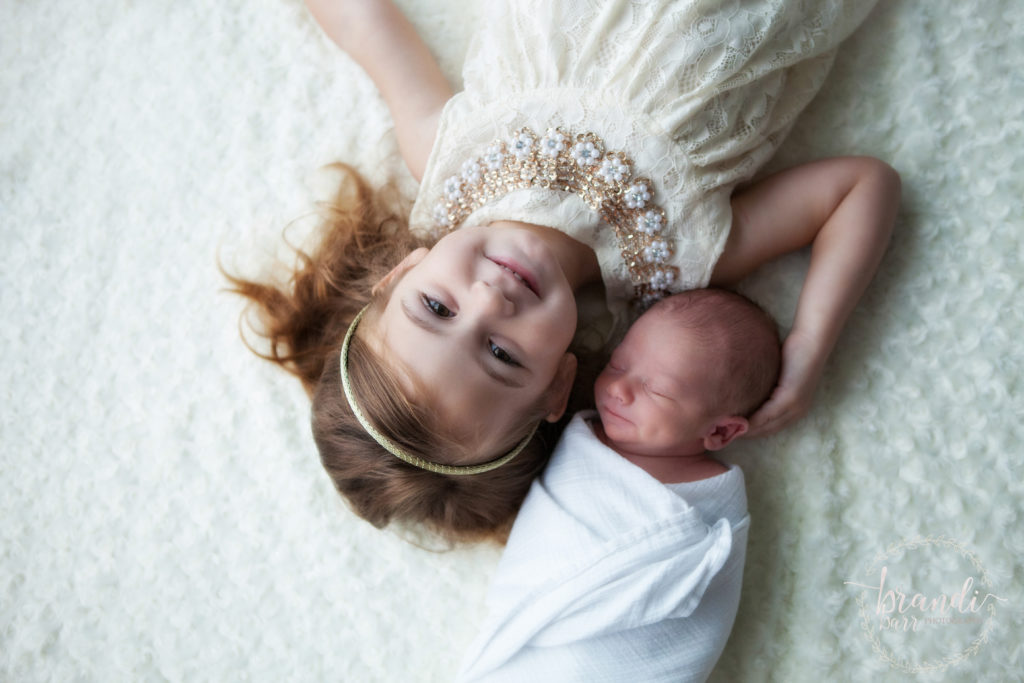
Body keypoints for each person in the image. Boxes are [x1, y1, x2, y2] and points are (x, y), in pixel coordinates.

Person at [226, 0, 900, 543]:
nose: (489, 300)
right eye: (499, 353)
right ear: (558, 385)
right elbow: (859, 188)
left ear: (400, 272)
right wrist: (807, 348)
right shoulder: (678, 257)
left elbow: (361, 23)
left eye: (435, 308)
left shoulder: (447, 158)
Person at [457, 288, 779, 681]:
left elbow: (697, 614)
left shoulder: (710, 513)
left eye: (656, 390)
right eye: (618, 364)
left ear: (721, 430)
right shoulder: (584, 441)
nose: (617, 389)